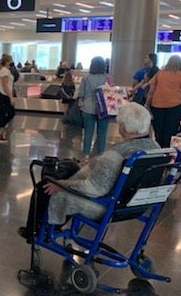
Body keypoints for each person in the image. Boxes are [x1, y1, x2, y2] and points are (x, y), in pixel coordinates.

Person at [18, 102, 159, 241]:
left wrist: (63, 185)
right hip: (138, 205)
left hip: (107, 207)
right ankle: (47, 228)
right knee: (70, 173)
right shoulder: (156, 148)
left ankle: (38, 231)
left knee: (46, 187)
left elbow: (94, 189)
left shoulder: (116, 155)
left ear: (122, 127)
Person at [146, 54, 181, 148]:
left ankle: (158, 150)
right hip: (175, 106)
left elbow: (151, 91)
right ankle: (168, 151)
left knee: (159, 131)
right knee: (170, 132)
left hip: (157, 105)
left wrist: (147, 104)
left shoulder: (159, 74)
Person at [75, 56, 112, 163]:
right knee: (102, 133)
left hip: (88, 107)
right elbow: (111, 92)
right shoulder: (108, 77)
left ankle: (86, 155)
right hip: (103, 108)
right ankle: (100, 155)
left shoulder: (86, 78)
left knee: (88, 132)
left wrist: (80, 102)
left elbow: (81, 93)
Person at [0, 54, 15, 143]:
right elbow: (5, 85)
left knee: (9, 113)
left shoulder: (6, 70)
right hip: (3, 94)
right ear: (7, 62)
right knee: (3, 113)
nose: (12, 61)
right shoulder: (5, 71)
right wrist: (11, 97)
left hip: (3, 94)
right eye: (11, 60)